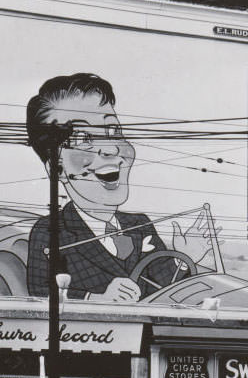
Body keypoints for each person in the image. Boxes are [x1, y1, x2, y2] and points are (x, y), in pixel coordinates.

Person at [25, 73, 214, 302]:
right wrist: (95, 299)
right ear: (57, 169)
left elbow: (163, 289)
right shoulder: (50, 231)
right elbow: (40, 292)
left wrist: (183, 257)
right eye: (83, 137)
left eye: (114, 131)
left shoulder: (140, 225)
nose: (111, 149)